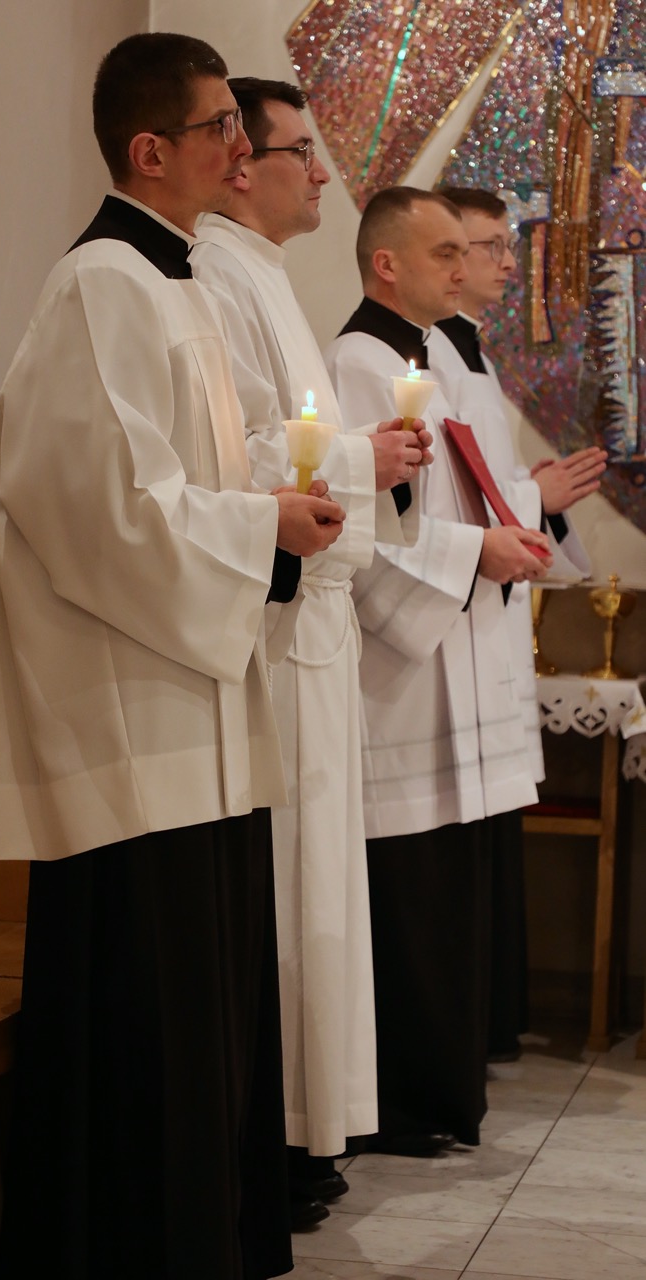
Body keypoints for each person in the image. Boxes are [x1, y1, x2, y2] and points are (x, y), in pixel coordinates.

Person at [0, 33, 347, 1280]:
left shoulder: (178, 282)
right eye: (219, 128)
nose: (242, 149)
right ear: (150, 150)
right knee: (142, 1015)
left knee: (200, 1012)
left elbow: (188, 480)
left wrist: (274, 508)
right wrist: (262, 527)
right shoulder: (100, 285)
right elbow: (103, 512)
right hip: (131, 722)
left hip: (195, 708)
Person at [191, 79, 430, 1226]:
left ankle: (309, 1128)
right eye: (301, 151)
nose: (323, 173)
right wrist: (351, 462)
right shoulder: (215, 275)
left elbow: (284, 444)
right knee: (289, 890)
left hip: (316, 626)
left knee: (322, 891)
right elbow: (232, 456)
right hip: (278, 635)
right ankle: (277, 1133)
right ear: (243, 163)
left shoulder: (266, 277)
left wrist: (357, 457)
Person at [323, 186, 550, 1155]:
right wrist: (471, 554)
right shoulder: (357, 362)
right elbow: (365, 528)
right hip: (398, 675)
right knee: (409, 891)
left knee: (443, 887)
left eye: (468, 253)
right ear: (386, 264)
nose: (464, 270)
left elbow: (442, 501)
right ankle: (403, 1098)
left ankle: (437, 1091)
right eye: (444, 254)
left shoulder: (420, 360)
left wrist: (498, 537)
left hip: (446, 646)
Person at [428, 185, 606, 1060]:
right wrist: (534, 497)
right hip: (444, 632)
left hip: (487, 613)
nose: (506, 261)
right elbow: (446, 502)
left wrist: (532, 495)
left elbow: (483, 488)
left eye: (505, 245)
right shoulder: (423, 356)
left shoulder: (470, 353)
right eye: (488, 245)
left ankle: (489, 1022)